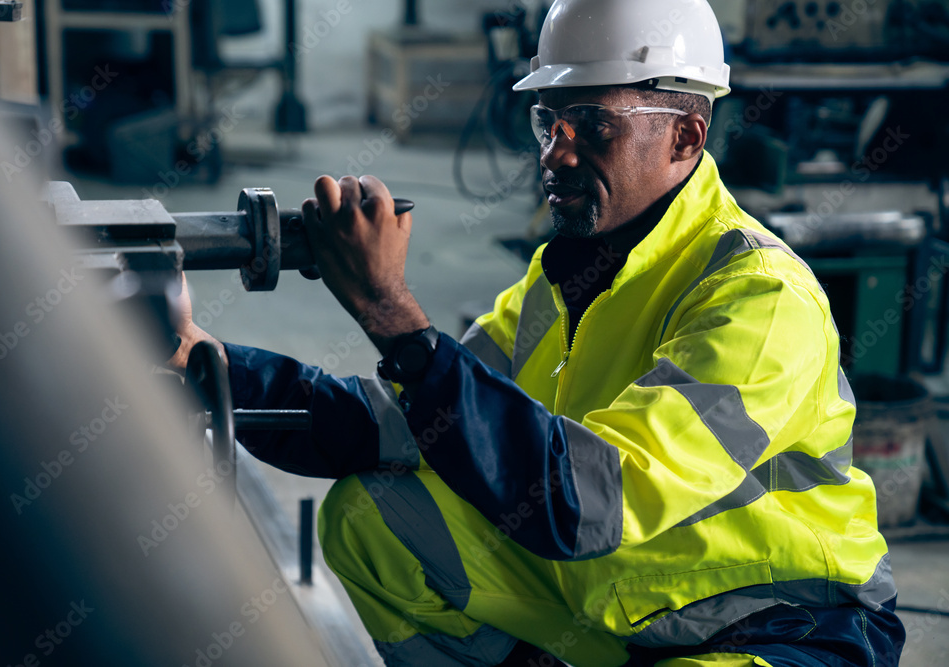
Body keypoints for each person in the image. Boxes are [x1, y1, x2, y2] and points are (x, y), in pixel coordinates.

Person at [171, 1, 905, 664]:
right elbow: (399, 426)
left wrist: (390, 311)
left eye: (591, 126)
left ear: (686, 135)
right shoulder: (570, 275)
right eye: (546, 123)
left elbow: (582, 502)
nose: (555, 153)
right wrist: (206, 364)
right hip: (628, 608)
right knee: (375, 522)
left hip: (783, 626)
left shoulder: (756, 299)